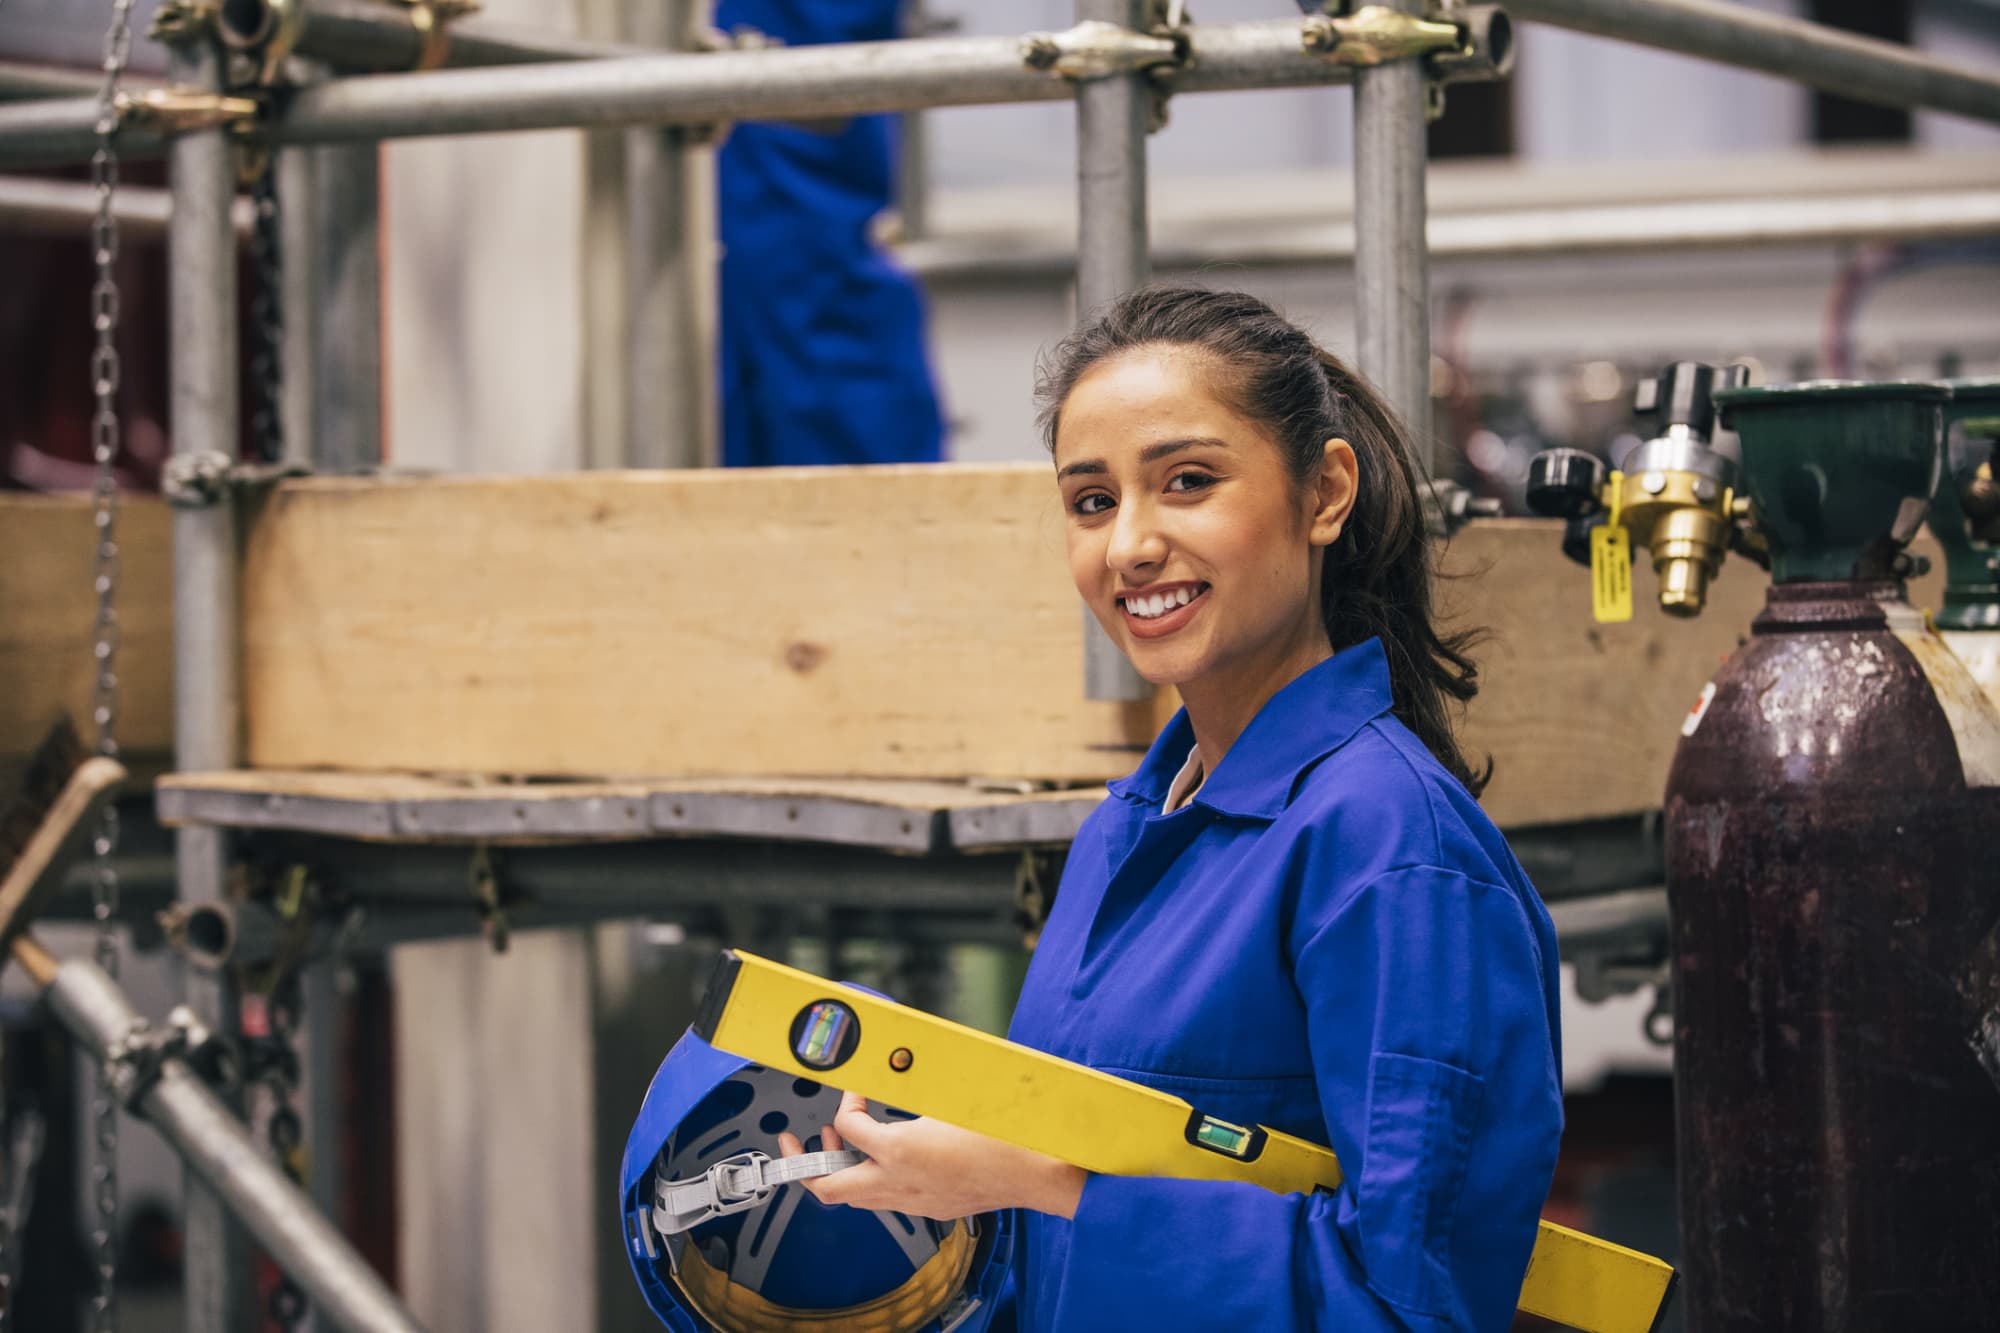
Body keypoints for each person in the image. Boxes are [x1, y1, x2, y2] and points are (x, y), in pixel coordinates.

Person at [777, 286, 1563, 1331]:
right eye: (1090, 501)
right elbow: (1078, 1228)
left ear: (1323, 493)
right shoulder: (1126, 829)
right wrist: (916, 1185)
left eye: (1186, 482)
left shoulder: (1387, 846)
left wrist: (1035, 1182)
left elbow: (1407, 1305)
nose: (1129, 546)